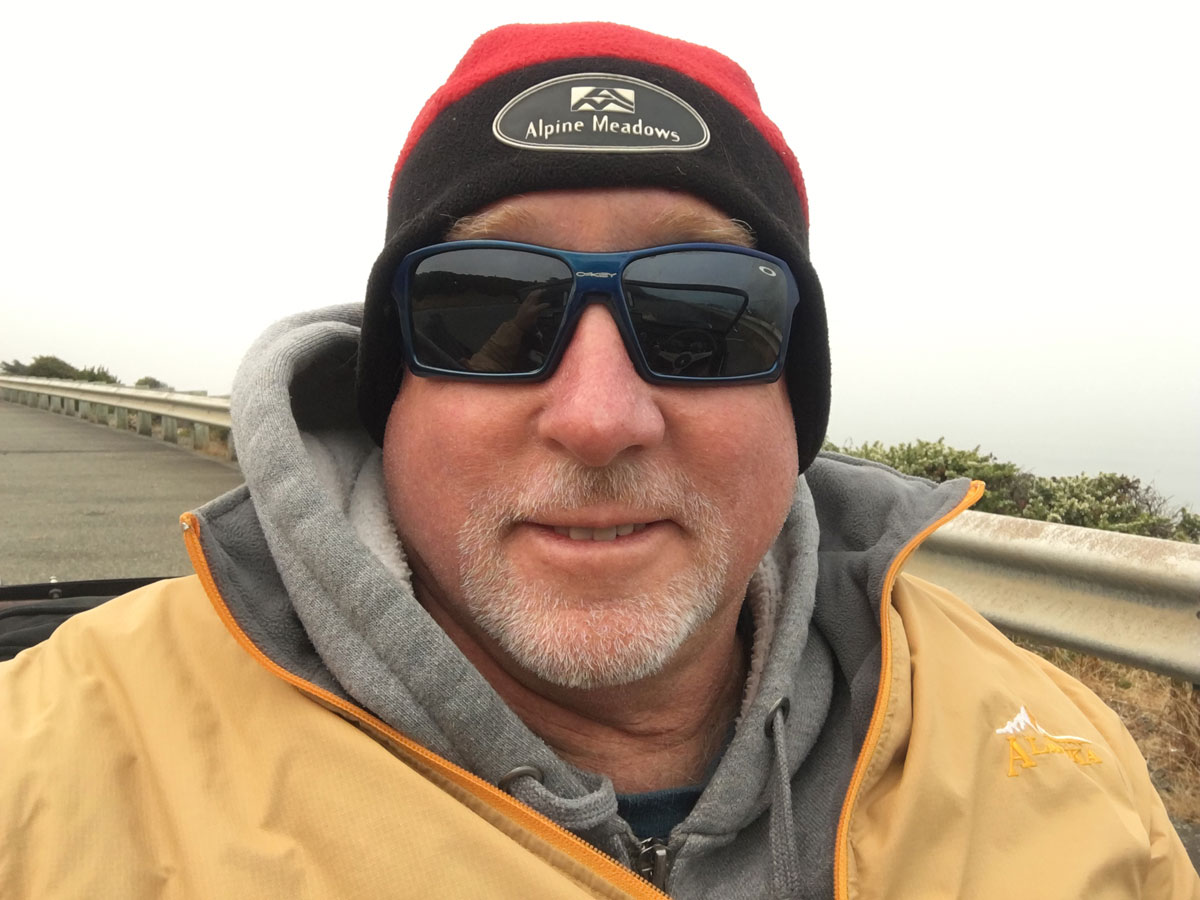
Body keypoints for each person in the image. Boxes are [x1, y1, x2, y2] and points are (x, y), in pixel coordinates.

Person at [1, 22, 1196, 900]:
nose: (598, 416)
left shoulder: (1055, 757)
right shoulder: (48, 777)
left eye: (702, 316)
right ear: (390, 389)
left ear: (794, 396)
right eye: (487, 311)